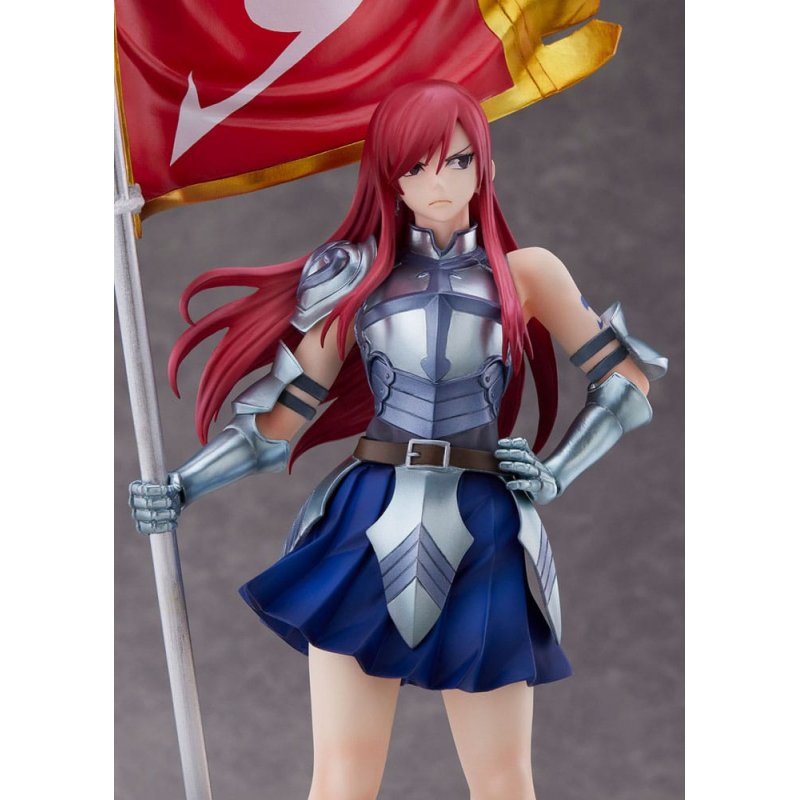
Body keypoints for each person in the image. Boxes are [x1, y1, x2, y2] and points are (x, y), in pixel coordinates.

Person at [130, 79, 666, 800]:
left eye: (456, 160)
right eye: (416, 166)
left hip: (484, 521)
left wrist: (558, 471)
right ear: (389, 175)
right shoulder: (354, 278)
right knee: (343, 773)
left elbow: (627, 383)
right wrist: (182, 486)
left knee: (504, 781)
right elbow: (278, 420)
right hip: (366, 518)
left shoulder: (526, 274)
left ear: (486, 164)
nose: (438, 183)